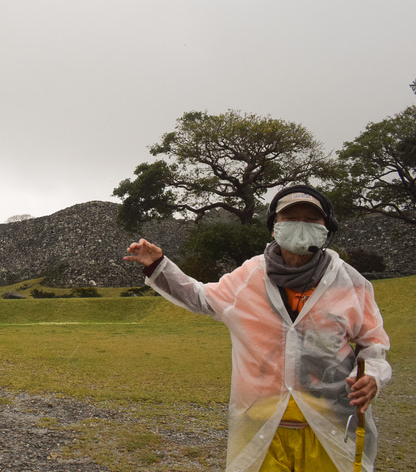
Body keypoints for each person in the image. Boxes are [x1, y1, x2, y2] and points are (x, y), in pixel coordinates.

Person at [124, 185, 391, 472]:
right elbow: (201, 297)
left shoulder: (350, 283)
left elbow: (373, 345)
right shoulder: (249, 277)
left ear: (327, 228)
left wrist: (372, 376)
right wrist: (158, 266)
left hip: (329, 429)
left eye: (311, 219)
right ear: (274, 227)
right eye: (290, 218)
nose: (300, 226)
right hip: (261, 430)